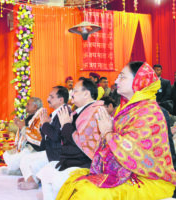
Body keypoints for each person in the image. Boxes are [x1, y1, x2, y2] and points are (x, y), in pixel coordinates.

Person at [57, 62, 176, 200]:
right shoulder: (125, 109)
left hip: (148, 178)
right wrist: (106, 134)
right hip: (126, 172)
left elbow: (134, 152)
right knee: (74, 183)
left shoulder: (149, 112)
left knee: (87, 193)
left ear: (139, 80)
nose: (116, 81)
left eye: (122, 77)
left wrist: (107, 133)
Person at [36, 78, 103, 200]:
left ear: (86, 93)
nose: (71, 94)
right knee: (45, 173)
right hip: (69, 160)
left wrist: (66, 125)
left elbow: (80, 143)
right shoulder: (79, 112)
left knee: (57, 180)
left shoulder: (95, 111)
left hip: (84, 163)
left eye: (75, 91)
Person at [18, 86, 69, 190]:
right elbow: (47, 134)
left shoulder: (64, 112)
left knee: (27, 160)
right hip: (51, 150)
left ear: (61, 99)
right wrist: (45, 125)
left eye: (51, 96)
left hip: (57, 153)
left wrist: (45, 124)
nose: (48, 99)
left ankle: (32, 181)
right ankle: (31, 179)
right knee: (26, 159)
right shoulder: (56, 112)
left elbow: (56, 136)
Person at [3, 97, 43, 175]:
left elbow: (37, 136)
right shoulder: (29, 117)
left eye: (28, 104)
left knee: (14, 162)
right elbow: (24, 132)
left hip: (33, 148)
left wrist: (22, 127)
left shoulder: (40, 118)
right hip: (24, 146)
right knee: (6, 155)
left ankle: (21, 169)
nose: (26, 106)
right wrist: (20, 125)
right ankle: (20, 168)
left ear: (35, 107)